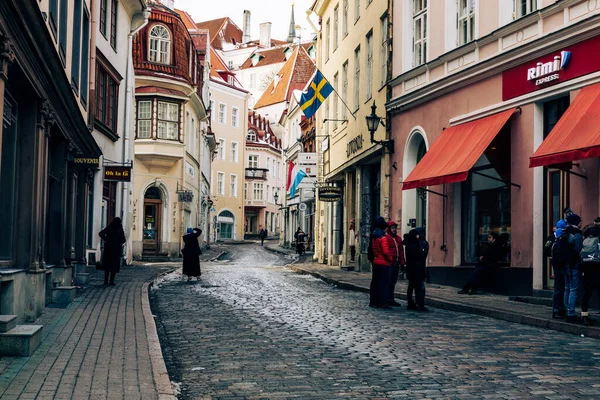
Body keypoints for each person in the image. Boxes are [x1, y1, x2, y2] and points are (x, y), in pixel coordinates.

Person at [562, 213, 584, 323]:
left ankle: (567, 310)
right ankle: (571, 313)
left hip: (564, 264)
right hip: (573, 264)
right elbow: (579, 250)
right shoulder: (577, 234)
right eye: (580, 221)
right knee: (573, 289)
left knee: (567, 287)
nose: (581, 223)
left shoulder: (564, 232)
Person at [367, 216, 392, 309]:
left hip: (376, 261)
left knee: (375, 282)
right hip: (383, 263)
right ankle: (382, 302)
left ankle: (374, 301)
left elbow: (372, 249)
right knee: (383, 283)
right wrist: (390, 258)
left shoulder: (374, 236)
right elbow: (386, 251)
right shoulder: (382, 238)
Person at [580, 217, 600, 325]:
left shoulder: (586, 235)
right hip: (597, 267)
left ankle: (584, 315)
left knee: (587, 293)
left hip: (587, 268)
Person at [404, 229, 428, 311]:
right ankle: (420, 304)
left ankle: (411, 303)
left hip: (411, 269)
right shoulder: (413, 245)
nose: (418, 236)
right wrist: (422, 252)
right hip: (416, 269)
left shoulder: (409, 243)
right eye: (417, 235)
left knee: (411, 287)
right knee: (419, 287)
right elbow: (418, 256)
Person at [99, 217, 126, 286]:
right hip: (116, 250)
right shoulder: (120, 228)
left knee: (107, 266)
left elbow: (101, 233)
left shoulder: (110, 227)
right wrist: (119, 242)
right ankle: (112, 281)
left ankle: (105, 281)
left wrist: (106, 239)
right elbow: (123, 240)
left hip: (108, 249)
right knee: (114, 266)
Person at [550, 219, 568, 319]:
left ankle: (556, 309)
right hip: (563, 266)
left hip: (556, 265)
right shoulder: (564, 236)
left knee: (557, 288)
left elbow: (547, 250)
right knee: (563, 288)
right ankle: (561, 309)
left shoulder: (553, 236)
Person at [385, 221, 405, 307]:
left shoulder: (398, 238)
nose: (394, 230)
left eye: (395, 228)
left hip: (396, 262)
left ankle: (391, 298)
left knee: (393, 281)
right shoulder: (386, 237)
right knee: (388, 281)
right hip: (389, 263)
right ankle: (387, 299)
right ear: (389, 229)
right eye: (392, 228)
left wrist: (402, 261)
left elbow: (401, 251)